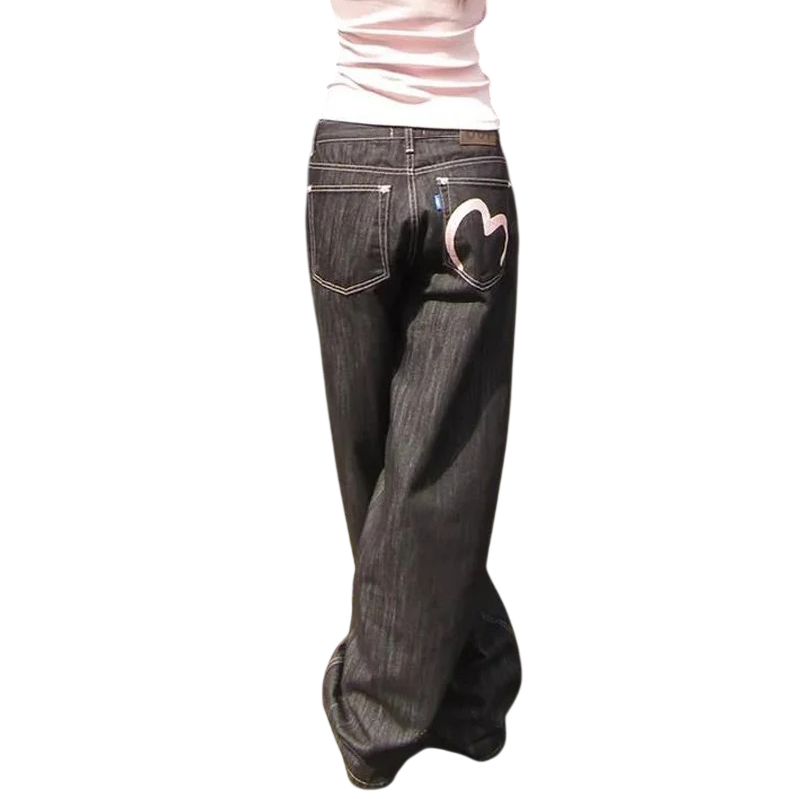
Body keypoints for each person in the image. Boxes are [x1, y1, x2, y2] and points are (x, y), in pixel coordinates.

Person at [304, 0, 522, 788]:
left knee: (378, 459)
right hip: (464, 160)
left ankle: (414, 704)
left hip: (347, 163)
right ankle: (448, 696)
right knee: (435, 461)